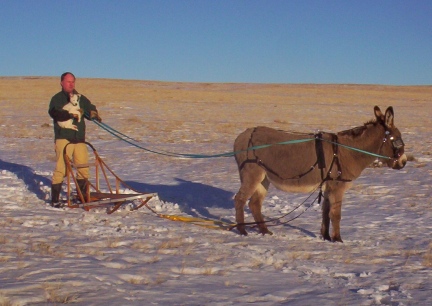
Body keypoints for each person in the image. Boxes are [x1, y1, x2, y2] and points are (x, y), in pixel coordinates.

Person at [48, 72, 102, 207]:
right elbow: (55, 113)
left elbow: (89, 108)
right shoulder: (57, 99)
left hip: (79, 139)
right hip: (64, 138)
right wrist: (69, 114)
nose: (71, 84)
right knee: (61, 168)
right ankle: (55, 200)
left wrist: (93, 113)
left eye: (73, 81)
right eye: (68, 82)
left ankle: (82, 196)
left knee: (83, 167)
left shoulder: (81, 98)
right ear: (61, 83)